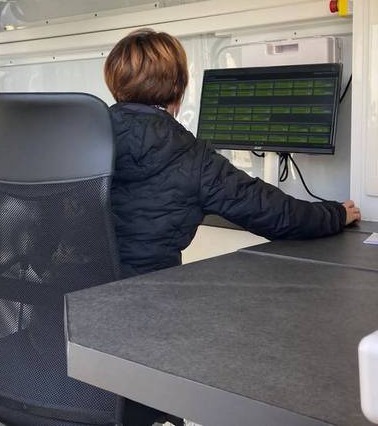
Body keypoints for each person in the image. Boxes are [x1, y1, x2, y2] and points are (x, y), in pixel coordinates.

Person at [105, 28, 362, 279]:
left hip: (84, 293)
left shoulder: (87, 136)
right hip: (147, 294)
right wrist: (336, 214)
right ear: (177, 86)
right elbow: (274, 213)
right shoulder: (192, 157)